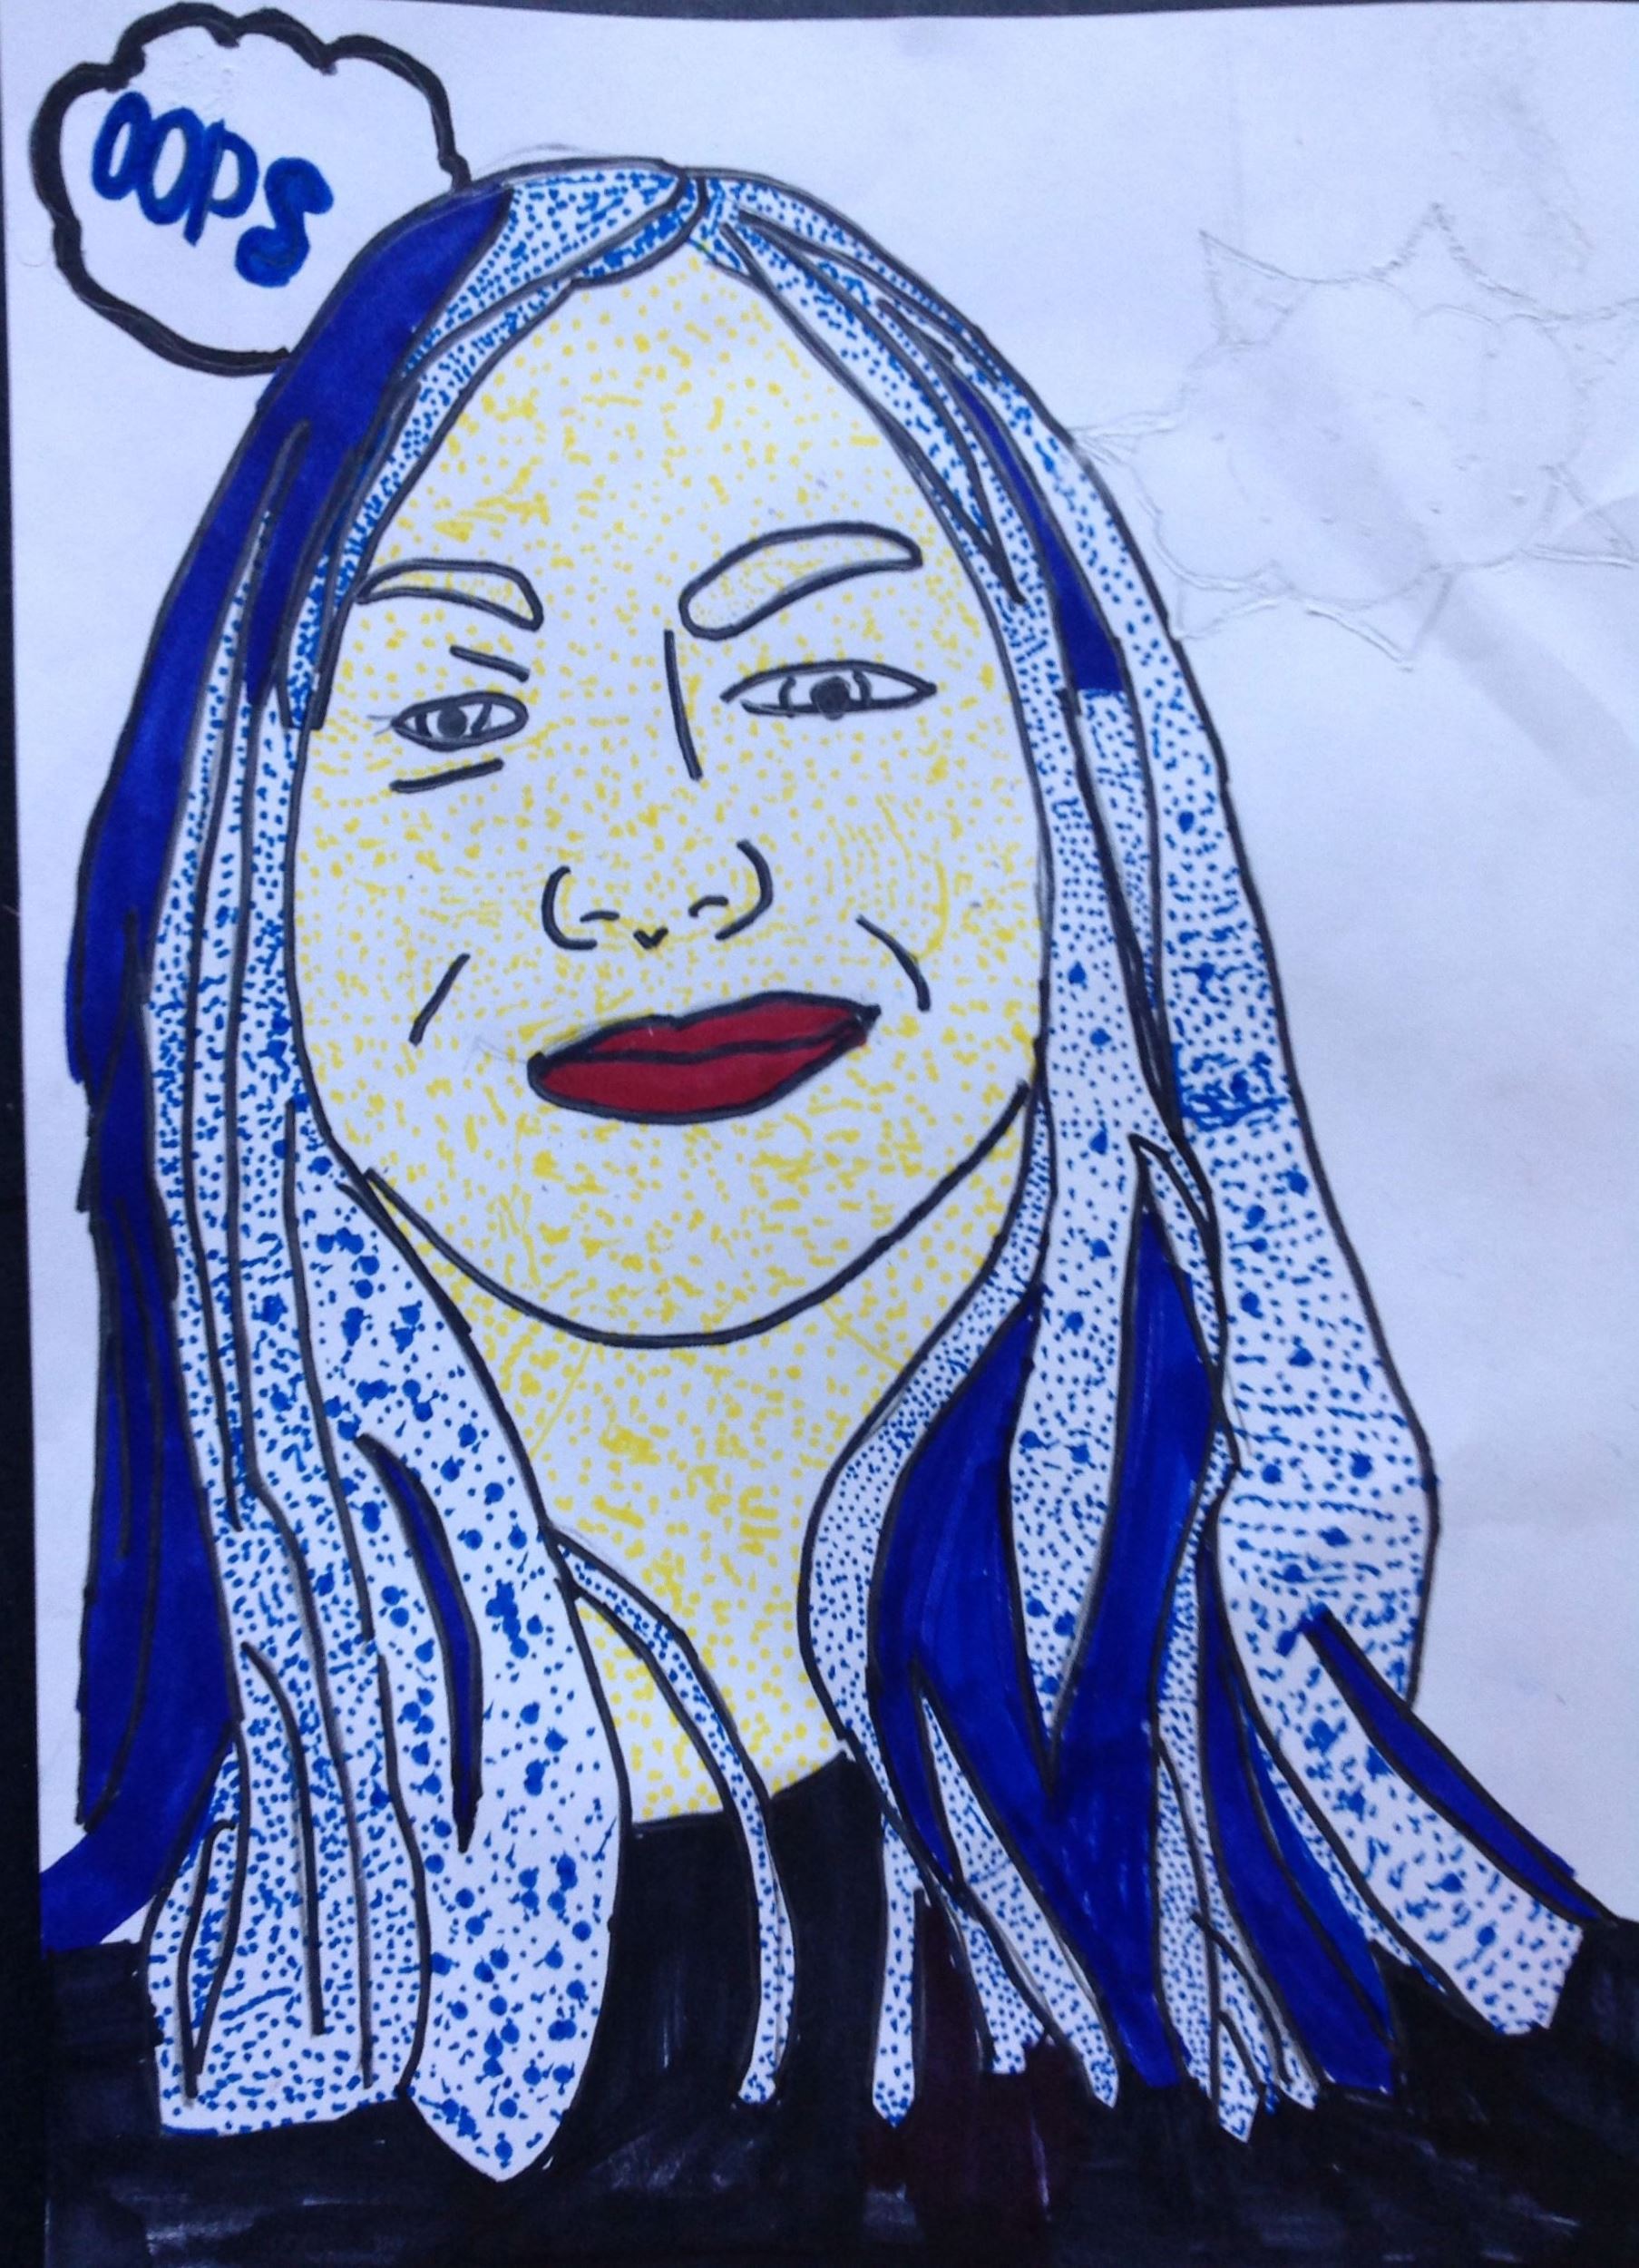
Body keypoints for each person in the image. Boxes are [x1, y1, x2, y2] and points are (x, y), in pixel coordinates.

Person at [43, 161, 1609, 2218]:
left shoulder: (1537, 2125)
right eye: (455, 714)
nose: (655, 868)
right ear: (243, 891)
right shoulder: (93, 2147)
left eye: (823, 685)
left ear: (1086, 795)